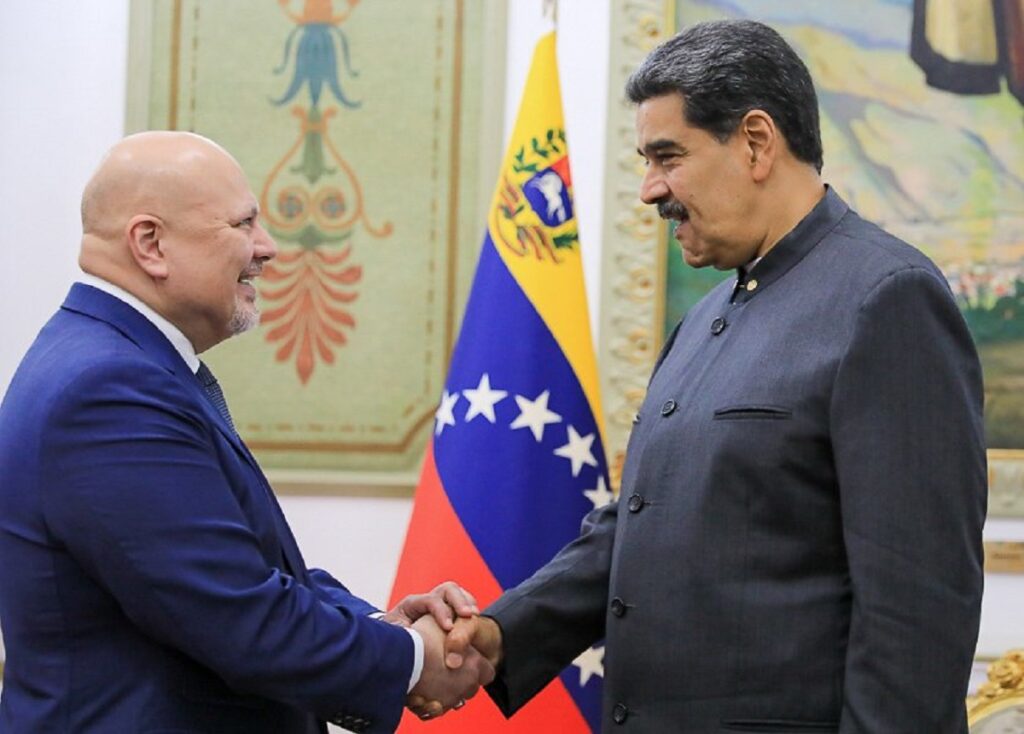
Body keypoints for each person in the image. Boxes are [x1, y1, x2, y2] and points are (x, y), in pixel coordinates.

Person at [439, 19, 987, 733]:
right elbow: (637, 530)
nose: (649, 190)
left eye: (668, 156)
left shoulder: (886, 300)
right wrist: (499, 634)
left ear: (757, 142)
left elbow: (916, 614)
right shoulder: (704, 320)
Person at [0, 131, 493, 733]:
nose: (269, 248)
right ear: (150, 243)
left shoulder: (115, 361)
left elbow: (246, 573)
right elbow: (237, 615)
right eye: (243, 225)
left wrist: (378, 627)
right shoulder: (109, 389)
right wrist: (416, 659)